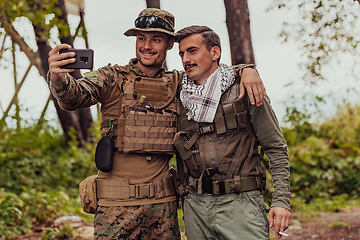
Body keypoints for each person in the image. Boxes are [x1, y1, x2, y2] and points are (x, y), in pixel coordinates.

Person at [48, 8, 265, 240]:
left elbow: (213, 75)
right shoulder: (112, 78)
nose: (147, 45)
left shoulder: (180, 83)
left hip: (162, 207)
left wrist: (246, 69)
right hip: (115, 206)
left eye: (156, 39)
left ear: (170, 44)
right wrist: (58, 77)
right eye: (141, 38)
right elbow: (74, 97)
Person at [174, 25, 291, 240]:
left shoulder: (246, 89)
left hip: (241, 205)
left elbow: (275, 147)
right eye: (181, 53)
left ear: (214, 52)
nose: (185, 59)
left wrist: (281, 200)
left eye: (192, 51)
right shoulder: (180, 96)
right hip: (195, 207)